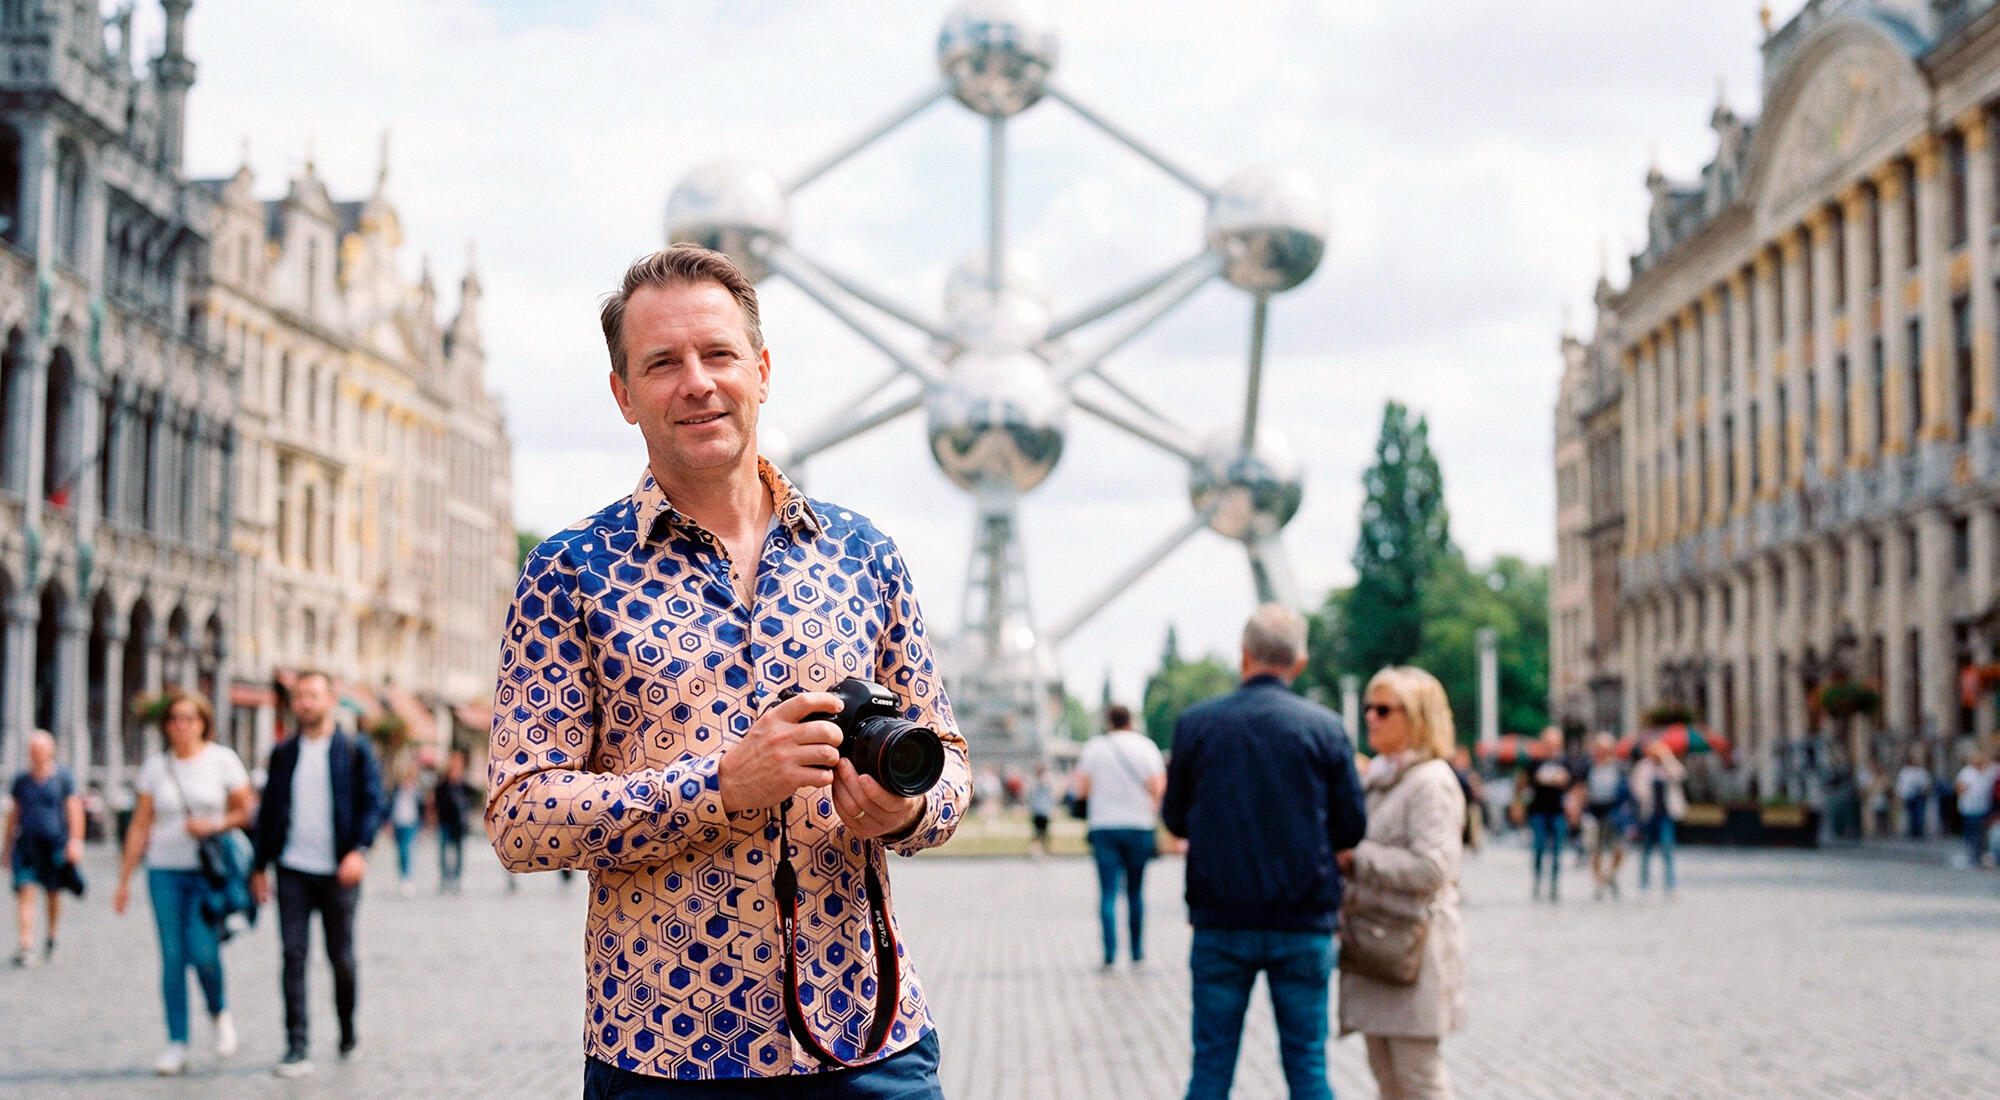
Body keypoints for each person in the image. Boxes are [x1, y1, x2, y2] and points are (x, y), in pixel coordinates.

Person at [486, 245, 970, 1095]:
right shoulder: (569, 571)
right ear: (623, 395)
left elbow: (951, 764)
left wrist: (904, 809)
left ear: (763, 370)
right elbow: (521, 816)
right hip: (669, 1057)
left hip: (872, 1039)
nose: (697, 382)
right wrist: (719, 784)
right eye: (662, 363)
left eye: (717, 355)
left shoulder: (865, 555)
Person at [1161, 603, 1367, 1100]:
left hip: (1221, 918)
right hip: (1304, 919)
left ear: (1244, 656)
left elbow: (1173, 817)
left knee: (1210, 1068)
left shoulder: (1197, 724)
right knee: (1308, 1068)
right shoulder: (1326, 728)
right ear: (1298, 663)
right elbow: (1351, 825)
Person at [249, 669, 386, 1078]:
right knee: (293, 955)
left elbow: (373, 803)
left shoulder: (353, 749)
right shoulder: (283, 753)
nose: (306, 702)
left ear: (330, 700)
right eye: (300, 696)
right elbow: (268, 813)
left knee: (340, 958)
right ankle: (296, 1046)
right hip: (292, 868)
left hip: (338, 871)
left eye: (313, 695)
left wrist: (359, 851)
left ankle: (347, 1033)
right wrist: (258, 866)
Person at [1337, 667, 1466, 1100]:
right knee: (1387, 1077)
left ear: (1418, 719)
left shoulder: (1431, 783)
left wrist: (1357, 858)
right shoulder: (1380, 778)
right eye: (1368, 708)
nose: (1371, 717)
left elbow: (1432, 868)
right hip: (1377, 943)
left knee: (1418, 1077)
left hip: (1413, 946)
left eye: (1384, 709)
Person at [112, 690, 255, 1075]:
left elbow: (246, 810)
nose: (181, 724)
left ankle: (218, 1010)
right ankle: (176, 1041)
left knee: (204, 951)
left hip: (208, 873)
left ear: (204, 721)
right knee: (172, 957)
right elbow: (140, 823)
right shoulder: (156, 767)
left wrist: (214, 824)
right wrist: (125, 878)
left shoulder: (222, 760)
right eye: (174, 718)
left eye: (190, 717)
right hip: (164, 871)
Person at [1073, 703, 1166, 968]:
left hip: (1104, 825)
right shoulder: (1146, 747)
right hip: (1139, 825)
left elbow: (1080, 789)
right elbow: (1158, 788)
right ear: (1131, 721)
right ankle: (1137, 950)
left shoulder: (1095, 748)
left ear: (1108, 721)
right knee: (1136, 892)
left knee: (1108, 893)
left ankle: (1110, 953)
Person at [4, 730, 83, 967]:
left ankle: (51, 936)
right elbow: (14, 814)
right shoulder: (21, 780)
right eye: (33, 750)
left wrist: (75, 840)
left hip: (54, 844)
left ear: (50, 751)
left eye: (40, 749)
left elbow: (74, 810)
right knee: (26, 891)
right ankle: (26, 944)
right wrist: (6, 846)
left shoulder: (63, 778)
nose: (36, 754)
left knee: (52, 893)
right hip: (27, 845)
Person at [1520, 728, 1573, 902]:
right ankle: (1537, 881)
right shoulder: (1534, 763)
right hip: (1538, 811)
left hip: (1558, 811)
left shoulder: (1565, 762)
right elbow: (1523, 784)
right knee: (1539, 847)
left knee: (1557, 850)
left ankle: (1554, 885)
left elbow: (1572, 784)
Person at [1630, 740, 1686, 893]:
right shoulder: (1643, 766)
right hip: (1649, 814)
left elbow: (1680, 775)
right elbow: (1636, 787)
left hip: (1666, 814)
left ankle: (1670, 883)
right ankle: (1644, 883)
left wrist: (1667, 759)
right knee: (1646, 849)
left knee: (1667, 848)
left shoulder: (1668, 765)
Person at [1581, 733, 1631, 900]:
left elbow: (1627, 790)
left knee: (1620, 849)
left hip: (1614, 812)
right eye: (1599, 748)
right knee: (1596, 850)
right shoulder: (1588, 767)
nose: (1602, 751)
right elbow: (1580, 788)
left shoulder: (1620, 768)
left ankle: (1610, 875)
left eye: (1606, 748)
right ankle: (1598, 884)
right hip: (1594, 811)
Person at [431, 749, 477, 893]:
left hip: (459, 824)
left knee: (459, 853)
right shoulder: (443, 783)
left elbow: (474, 796)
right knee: (444, 853)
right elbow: (436, 800)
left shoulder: (463, 784)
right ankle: (445, 880)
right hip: (445, 822)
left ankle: (457, 879)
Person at [1953, 750, 1997, 869]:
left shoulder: (1988, 772)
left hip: (1983, 808)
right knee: (1972, 833)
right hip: (1969, 808)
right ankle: (1972, 856)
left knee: (1979, 834)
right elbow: (1959, 787)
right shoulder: (1967, 772)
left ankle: (1976, 856)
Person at [387, 762, 423, 898]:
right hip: (398, 823)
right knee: (400, 852)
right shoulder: (396, 791)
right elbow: (389, 806)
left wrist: (423, 827)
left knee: (407, 850)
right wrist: (388, 823)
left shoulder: (416, 792)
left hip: (411, 824)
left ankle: (407, 878)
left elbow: (422, 809)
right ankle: (402, 876)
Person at [1896, 756, 1932, 839]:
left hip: (1919, 796)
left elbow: (1927, 784)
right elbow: (1901, 784)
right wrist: (1901, 795)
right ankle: (1912, 830)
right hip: (1909, 796)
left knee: (1919, 814)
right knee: (1911, 814)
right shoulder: (1905, 772)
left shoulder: (1922, 771)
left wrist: (1924, 791)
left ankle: (1919, 830)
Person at [1026, 763, 1055, 858]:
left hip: (1043, 810)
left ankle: (1043, 850)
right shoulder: (1034, 782)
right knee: (1038, 832)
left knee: (1044, 832)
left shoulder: (1045, 781)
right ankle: (1036, 850)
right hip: (1038, 810)